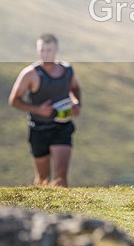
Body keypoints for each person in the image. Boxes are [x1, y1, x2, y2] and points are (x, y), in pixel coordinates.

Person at [8, 33, 82, 187]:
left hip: (62, 126)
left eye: (49, 50)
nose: (45, 53)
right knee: (43, 178)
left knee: (61, 175)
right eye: (42, 50)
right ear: (37, 50)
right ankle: (40, 210)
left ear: (56, 50)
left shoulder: (67, 70)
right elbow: (14, 100)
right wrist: (38, 109)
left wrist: (77, 104)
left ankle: (63, 210)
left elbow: (75, 88)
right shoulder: (30, 74)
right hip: (39, 129)